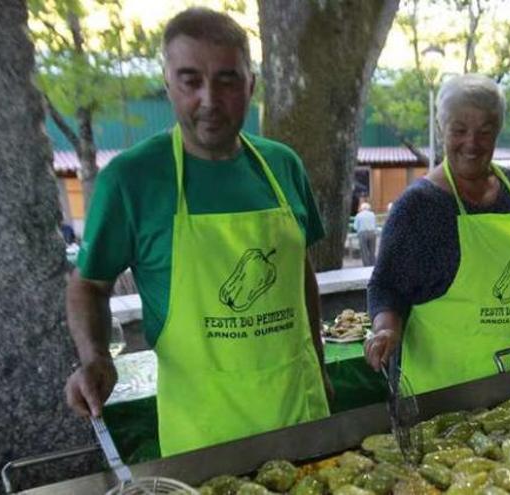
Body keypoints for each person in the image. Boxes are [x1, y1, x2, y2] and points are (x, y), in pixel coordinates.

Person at [63, 8, 330, 457]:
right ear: (168, 84)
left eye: (227, 80)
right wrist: (95, 358)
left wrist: (320, 365)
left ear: (251, 85)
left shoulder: (284, 165)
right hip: (205, 433)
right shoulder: (131, 180)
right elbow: (88, 284)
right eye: (190, 80)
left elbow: (298, 269)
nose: (209, 99)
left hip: (299, 410)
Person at [364, 74, 510, 394]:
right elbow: (385, 285)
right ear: (442, 128)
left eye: (484, 132)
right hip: (444, 395)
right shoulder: (418, 206)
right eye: (459, 130)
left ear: (497, 131)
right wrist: (385, 330)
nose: (472, 143)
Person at [354, 202, 378, 266]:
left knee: (364, 251)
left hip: (362, 234)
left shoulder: (358, 215)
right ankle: (373, 265)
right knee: (372, 251)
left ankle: (366, 266)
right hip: (372, 233)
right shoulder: (372, 214)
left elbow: (355, 227)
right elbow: (375, 225)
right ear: (368, 208)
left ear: (362, 208)